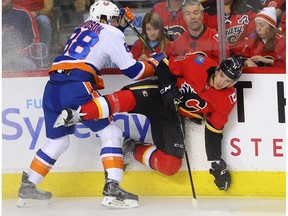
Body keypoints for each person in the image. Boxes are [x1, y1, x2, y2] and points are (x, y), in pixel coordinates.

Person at [16, 0, 165, 209]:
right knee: (112, 133)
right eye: (114, 19)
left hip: (52, 89)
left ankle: (29, 185)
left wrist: (120, 26)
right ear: (106, 18)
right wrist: (155, 62)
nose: (115, 22)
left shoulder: (82, 27)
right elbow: (133, 71)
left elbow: (100, 39)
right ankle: (113, 189)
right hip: (76, 87)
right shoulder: (112, 32)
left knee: (57, 142)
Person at [55, 54, 244, 192]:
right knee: (125, 99)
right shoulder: (197, 62)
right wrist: (167, 84)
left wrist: (215, 160)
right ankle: (79, 113)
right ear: (218, 69)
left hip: (172, 115)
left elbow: (214, 130)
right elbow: (164, 64)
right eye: (222, 77)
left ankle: (130, 148)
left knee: (170, 165)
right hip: (158, 94)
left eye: (228, 82)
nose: (222, 83)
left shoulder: (227, 99)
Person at [13, 0, 53, 68]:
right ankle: (13, 59)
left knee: (43, 20)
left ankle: (43, 62)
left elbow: (49, 8)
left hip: (37, 15)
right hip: (17, 15)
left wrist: (35, 13)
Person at [2, 0, 40, 71]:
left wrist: (19, 53)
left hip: (20, 58)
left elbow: (35, 41)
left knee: (28, 65)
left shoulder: (23, 13)